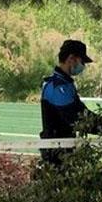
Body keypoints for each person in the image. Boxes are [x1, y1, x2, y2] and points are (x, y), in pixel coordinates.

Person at [39, 39, 94, 167]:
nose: (83, 66)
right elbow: (75, 118)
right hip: (56, 153)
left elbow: (83, 113)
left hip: (66, 148)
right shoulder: (57, 87)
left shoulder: (66, 84)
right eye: (82, 61)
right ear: (71, 59)